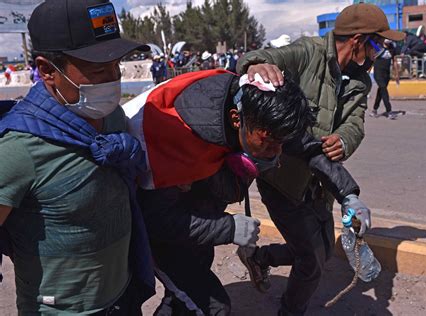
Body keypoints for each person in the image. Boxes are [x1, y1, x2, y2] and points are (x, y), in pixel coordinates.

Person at [123, 68, 370, 315]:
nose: (276, 152)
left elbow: (310, 149)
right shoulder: (181, 139)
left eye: (281, 143)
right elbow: (155, 220)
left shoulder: (261, 114)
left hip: (191, 215)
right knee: (212, 306)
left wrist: (348, 195)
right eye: (268, 142)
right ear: (235, 119)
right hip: (146, 223)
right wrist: (228, 228)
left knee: (182, 296)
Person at [236, 3, 405, 315]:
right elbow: (255, 60)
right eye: (377, 44)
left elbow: (355, 124)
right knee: (311, 264)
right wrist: (257, 67)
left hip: (321, 184)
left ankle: (261, 258)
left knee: (323, 251)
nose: (379, 52)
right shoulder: (307, 53)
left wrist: (344, 139)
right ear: (358, 40)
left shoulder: (359, 82)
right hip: (283, 181)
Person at [0, 0, 155, 314]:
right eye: (98, 70)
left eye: (116, 66)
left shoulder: (111, 117)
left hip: (122, 296)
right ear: (47, 71)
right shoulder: (19, 148)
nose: (113, 80)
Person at [370, 39, 399, 119]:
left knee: (381, 91)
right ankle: (389, 111)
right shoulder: (378, 47)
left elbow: (395, 61)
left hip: (386, 74)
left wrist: (396, 74)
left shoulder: (392, 49)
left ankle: (374, 110)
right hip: (378, 73)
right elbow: (370, 41)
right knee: (383, 89)